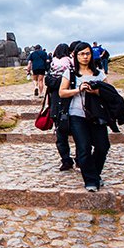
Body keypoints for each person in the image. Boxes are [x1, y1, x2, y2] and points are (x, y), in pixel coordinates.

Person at [58, 42, 109, 192]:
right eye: (81, 54)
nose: (85, 57)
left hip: (97, 115)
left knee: (102, 147)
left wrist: (96, 91)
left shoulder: (99, 73)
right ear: (76, 56)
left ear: (91, 55)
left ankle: (95, 173)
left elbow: (109, 93)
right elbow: (62, 92)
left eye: (87, 53)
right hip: (76, 115)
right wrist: (78, 89)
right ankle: (91, 180)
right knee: (83, 148)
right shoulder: (70, 73)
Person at [47, 43, 75, 171]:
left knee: (61, 135)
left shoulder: (52, 67)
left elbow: (49, 82)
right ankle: (74, 159)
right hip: (70, 102)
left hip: (56, 103)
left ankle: (66, 159)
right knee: (73, 133)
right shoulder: (71, 64)